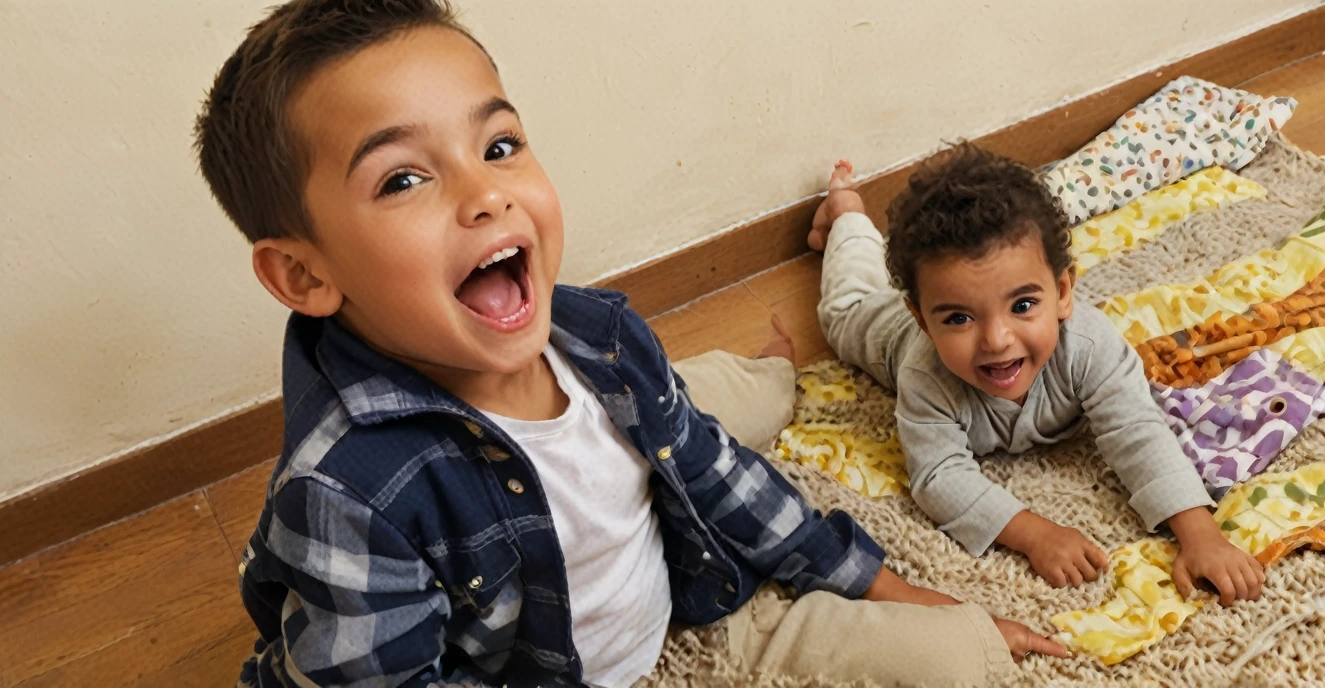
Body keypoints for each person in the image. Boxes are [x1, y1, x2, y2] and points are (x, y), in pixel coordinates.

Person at [193, 2, 1064, 686]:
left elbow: (721, 479)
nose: (487, 194)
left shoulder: (600, 337)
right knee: (956, 655)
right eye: (404, 178)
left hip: (680, 565)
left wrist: (883, 583)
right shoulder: (347, 500)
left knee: (729, 414)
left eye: (499, 145)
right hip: (563, 649)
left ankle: (765, 369)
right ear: (305, 276)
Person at [809, 151, 1265, 604]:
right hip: (877, 325)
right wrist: (1034, 534)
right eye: (958, 319)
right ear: (923, 322)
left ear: (1063, 292)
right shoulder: (925, 374)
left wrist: (1199, 533)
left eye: (1023, 305)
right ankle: (846, 214)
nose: (996, 339)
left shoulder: (1087, 345)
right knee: (846, 304)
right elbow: (938, 475)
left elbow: (1137, 429)